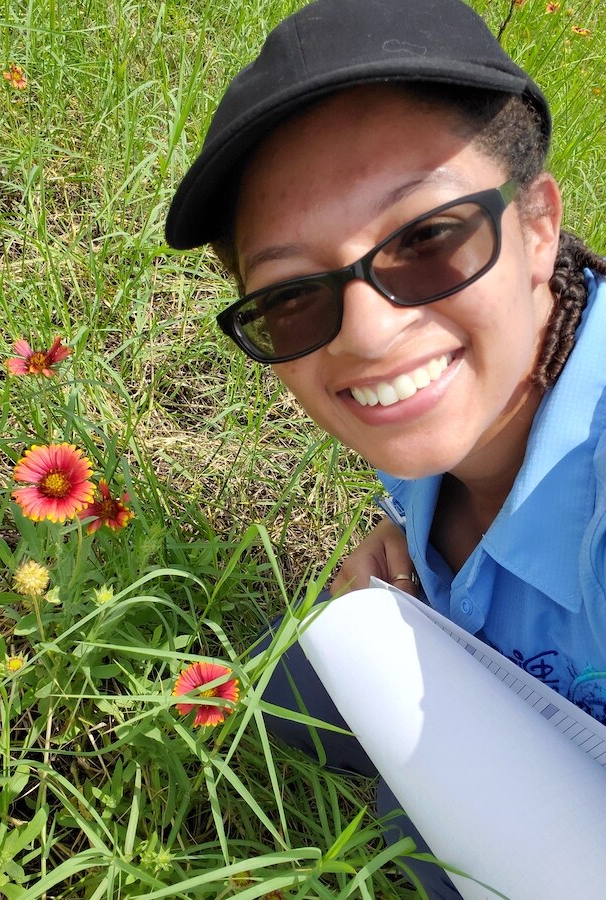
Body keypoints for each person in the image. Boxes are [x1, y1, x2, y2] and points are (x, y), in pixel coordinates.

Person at [165, 0, 606, 895]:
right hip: (437, 642)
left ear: (536, 226)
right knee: (272, 688)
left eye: (426, 238)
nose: (365, 336)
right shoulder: (468, 393)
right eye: (292, 296)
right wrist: (405, 534)